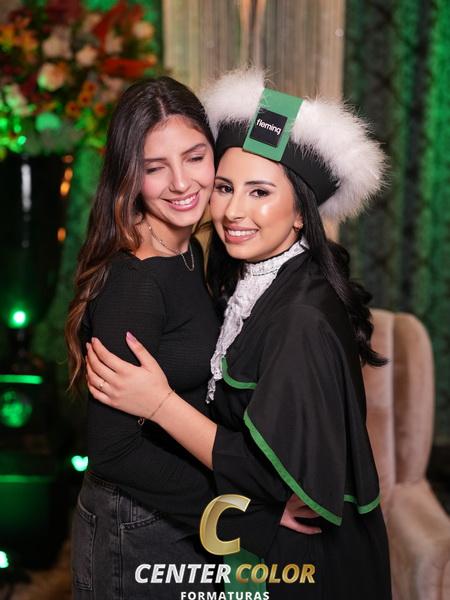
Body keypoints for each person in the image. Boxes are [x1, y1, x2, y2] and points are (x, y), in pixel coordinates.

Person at [86, 68, 392, 599]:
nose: (232, 210)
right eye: (226, 188)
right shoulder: (223, 274)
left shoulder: (293, 312)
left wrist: (160, 403)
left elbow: (273, 471)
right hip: (162, 530)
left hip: (294, 557)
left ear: (302, 213)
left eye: (260, 192)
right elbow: (112, 448)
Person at [66, 75, 315, 600]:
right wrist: (246, 511)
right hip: (138, 523)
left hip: (181, 512)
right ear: (129, 176)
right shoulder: (135, 281)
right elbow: (112, 451)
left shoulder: (189, 249)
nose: (181, 184)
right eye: (155, 167)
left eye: (195, 158)